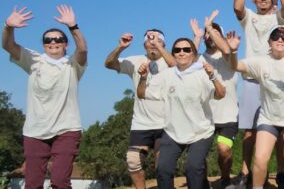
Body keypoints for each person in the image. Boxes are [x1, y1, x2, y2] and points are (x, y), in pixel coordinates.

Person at [2, 5, 87, 189]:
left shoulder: (72, 65)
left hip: (66, 129)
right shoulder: (33, 60)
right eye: (48, 39)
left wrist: (73, 27)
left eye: (58, 39)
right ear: (43, 44)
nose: (53, 42)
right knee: (32, 184)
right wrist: (8, 27)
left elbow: (83, 50)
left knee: (60, 181)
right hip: (35, 130)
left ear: (66, 44)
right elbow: (8, 45)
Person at [228, 26, 284, 189]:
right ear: (269, 42)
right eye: (275, 37)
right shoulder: (261, 62)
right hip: (268, 117)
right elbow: (236, 66)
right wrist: (233, 52)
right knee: (260, 159)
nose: (280, 40)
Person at [137, 38, 226, 189]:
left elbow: (220, 94)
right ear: (173, 54)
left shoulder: (203, 72)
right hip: (173, 132)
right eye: (177, 50)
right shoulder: (166, 75)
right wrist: (143, 78)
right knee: (163, 169)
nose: (182, 53)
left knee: (193, 168)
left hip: (201, 132)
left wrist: (212, 77)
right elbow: (141, 93)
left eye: (186, 49)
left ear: (194, 53)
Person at [232, 0, 284, 187]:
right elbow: (237, 8)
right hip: (252, 79)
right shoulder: (249, 17)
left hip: (278, 80)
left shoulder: (279, 18)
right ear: (254, 1)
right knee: (250, 132)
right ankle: (246, 173)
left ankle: (280, 173)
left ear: (273, 0)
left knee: (278, 129)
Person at [104, 28, 175, 189]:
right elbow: (109, 64)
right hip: (141, 124)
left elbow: (177, 67)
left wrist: (159, 47)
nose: (153, 43)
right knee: (133, 161)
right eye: (149, 40)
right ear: (144, 45)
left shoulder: (169, 60)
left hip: (166, 123)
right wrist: (120, 47)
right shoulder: (135, 61)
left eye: (157, 39)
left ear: (164, 42)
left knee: (162, 165)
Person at [189, 10, 243, 189]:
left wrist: (209, 27)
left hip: (228, 116)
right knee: (199, 153)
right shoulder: (199, 59)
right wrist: (197, 36)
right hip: (204, 116)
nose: (209, 35)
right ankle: (203, 182)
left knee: (223, 149)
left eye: (214, 32)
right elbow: (187, 59)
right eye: (208, 34)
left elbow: (227, 48)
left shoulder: (229, 56)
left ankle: (226, 178)